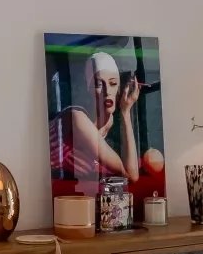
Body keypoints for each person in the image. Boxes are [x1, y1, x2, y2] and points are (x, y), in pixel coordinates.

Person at [51, 50, 165, 196]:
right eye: (99, 84)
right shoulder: (77, 118)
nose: (107, 91)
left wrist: (125, 113)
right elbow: (130, 175)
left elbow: (131, 172)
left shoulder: (109, 122)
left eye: (113, 83)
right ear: (88, 89)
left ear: (119, 88)